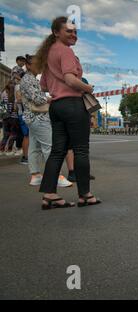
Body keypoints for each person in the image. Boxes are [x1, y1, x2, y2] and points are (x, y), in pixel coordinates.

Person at [35, 16, 101, 210]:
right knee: (81, 149)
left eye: (75, 32)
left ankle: (49, 195)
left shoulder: (48, 54)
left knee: (57, 151)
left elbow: (43, 85)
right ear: (56, 32)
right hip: (73, 105)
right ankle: (85, 195)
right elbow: (71, 80)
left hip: (56, 107)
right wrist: (88, 87)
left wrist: (57, 95)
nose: (74, 35)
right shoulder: (66, 51)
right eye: (69, 31)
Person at [20, 54, 73, 187]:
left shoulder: (30, 79)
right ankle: (56, 176)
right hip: (38, 117)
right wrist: (50, 98)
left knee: (35, 147)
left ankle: (35, 175)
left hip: (32, 118)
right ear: (28, 65)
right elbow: (37, 99)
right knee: (50, 147)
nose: (40, 66)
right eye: (37, 64)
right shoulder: (28, 79)